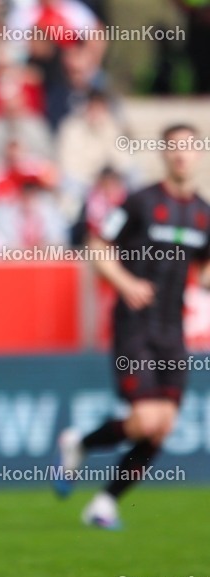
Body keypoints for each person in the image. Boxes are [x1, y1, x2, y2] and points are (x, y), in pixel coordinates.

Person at [55, 123, 210, 529]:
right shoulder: (141, 202)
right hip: (135, 326)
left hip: (172, 329)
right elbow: (97, 246)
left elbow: (205, 269)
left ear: (198, 154)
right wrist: (125, 283)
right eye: (174, 148)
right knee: (144, 420)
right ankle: (80, 444)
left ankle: (104, 503)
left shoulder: (202, 213)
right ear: (163, 154)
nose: (181, 155)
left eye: (189, 148)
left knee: (161, 429)